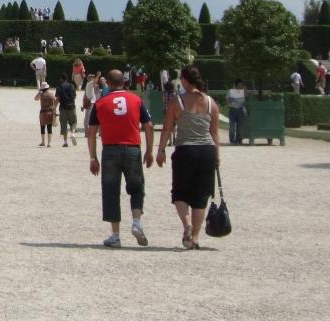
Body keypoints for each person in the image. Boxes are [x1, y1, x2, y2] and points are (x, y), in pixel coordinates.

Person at [87, 69, 154, 247]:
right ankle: (136, 222)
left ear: (108, 83)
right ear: (124, 82)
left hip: (110, 150)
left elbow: (91, 133)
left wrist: (93, 157)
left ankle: (115, 235)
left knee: (111, 191)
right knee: (137, 187)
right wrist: (149, 151)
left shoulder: (100, 103)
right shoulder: (136, 100)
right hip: (132, 149)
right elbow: (148, 125)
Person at [155, 66, 220, 249]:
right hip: (207, 150)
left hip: (186, 150)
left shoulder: (178, 101)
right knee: (201, 196)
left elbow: (167, 128)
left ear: (184, 80)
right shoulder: (210, 102)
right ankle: (195, 238)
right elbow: (214, 132)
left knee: (180, 192)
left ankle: (187, 225)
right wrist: (217, 155)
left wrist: (161, 150)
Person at [57, 77, 78, 147]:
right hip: (72, 107)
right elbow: (75, 97)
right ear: (67, 79)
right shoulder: (72, 86)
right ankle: (73, 133)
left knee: (64, 125)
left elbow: (58, 98)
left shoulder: (59, 86)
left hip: (63, 108)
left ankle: (65, 142)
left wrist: (54, 108)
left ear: (61, 79)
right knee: (74, 122)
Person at [35, 83, 57, 147]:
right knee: (49, 128)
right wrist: (54, 112)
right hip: (50, 112)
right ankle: (49, 143)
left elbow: (36, 98)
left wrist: (39, 92)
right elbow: (54, 102)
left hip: (43, 112)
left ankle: (43, 142)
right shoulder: (51, 94)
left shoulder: (41, 95)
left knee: (42, 127)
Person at [226, 80, 246, 145]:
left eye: (242, 85)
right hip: (232, 110)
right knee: (232, 127)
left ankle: (238, 140)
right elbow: (227, 99)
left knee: (239, 127)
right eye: (239, 85)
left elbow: (248, 97)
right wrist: (229, 104)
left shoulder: (244, 92)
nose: (241, 86)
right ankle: (232, 141)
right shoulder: (231, 91)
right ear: (236, 85)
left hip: (240, 110)